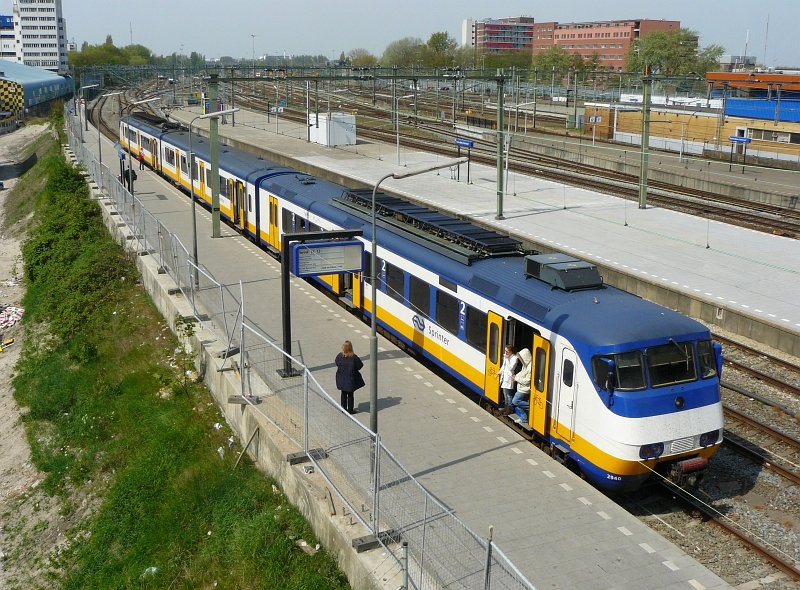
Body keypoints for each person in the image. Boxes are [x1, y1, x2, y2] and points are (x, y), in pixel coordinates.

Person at [335, 340, 364, 415]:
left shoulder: (340, 355)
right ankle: (350, 410)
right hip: (350, 379)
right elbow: (359, 366)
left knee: (343, 393)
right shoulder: (354, 357)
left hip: (341, 379)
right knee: (350, 395)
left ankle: (343, 409)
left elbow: (336, 362)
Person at [510, 348, 532, 424]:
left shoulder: (530, 367)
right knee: (520, 404)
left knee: (515, 401)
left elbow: (527, 380)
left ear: (525, 357)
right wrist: (515, 376)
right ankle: (524, 419)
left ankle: (532, 407)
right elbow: (522, 372)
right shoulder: (526, 364)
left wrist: (516, 378)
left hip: (524, 389)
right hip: (521, 388)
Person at [497, 344, 519, 413]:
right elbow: (503, 366)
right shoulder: (506, 357)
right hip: (504, 377)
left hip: (509, 378)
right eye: (505, 351)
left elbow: (511, 368)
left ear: (511, 352)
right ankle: (506, 407)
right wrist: (499, 372)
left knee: (509, 395)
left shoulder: (514, 358)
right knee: (505, 393)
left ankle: (510, 409)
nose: (505, 353)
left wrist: (506, 359)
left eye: (507, 351)